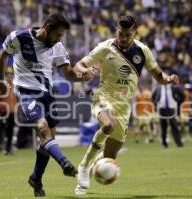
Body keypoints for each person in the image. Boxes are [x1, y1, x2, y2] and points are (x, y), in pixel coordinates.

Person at [73, 15, 179, 195]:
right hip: (104, 97)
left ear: (135, 33)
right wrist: (85, 72)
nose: (123, 38)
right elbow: (79, 65)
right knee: (107, 125)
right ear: (116, 30)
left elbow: (159, 76)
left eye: (127, 35)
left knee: (109, 157)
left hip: (124, 107)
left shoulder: (142, 51)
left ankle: (91, 170)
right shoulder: (105, 48)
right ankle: (83, 166)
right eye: (120, 34)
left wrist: (169, 79)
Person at [0, 12, 96, 197]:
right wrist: (1, 81)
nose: (59, 39)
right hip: (26, 93)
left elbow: (68, 74)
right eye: (58, 34)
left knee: (47, 142)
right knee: (43, 130)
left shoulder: (57, 47)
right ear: (47, 28)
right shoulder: (19, 37)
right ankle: (65, 163)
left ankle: (36, 178)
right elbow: (3, 54)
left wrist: (84, 75)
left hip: (47, 95)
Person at [152, 83, 185, 148]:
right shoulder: (159, 88)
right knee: (163, 127)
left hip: (171, 109)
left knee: (174, 126)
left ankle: (179, 143)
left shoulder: (174, 87)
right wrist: (156, 103)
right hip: (162, 109)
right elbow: (153, 97)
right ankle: (164, 144)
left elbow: (183, 96)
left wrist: (178, 103)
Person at [0, 67, 17, 155]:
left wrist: (16, 111)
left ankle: (8, 149)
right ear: (5, 76)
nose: (10, 77)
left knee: (10, 132)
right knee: (0, 131)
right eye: (8, 75)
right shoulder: (1, 86)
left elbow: (16, 100)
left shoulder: (14, 87)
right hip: (3, 112)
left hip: (12, 112)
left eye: (11, 75)